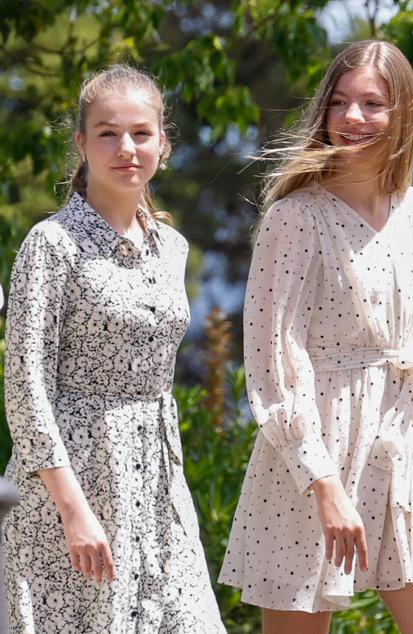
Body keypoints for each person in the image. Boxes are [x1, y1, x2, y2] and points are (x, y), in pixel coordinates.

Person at [219, 40, 413, 634]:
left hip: (401, 446)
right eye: (341, 102)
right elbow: (273, 359)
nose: (353, 117)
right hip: (312, 455)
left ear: (402, 113)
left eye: (373, 103)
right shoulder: (295, 216)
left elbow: (401, 345)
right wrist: (322, 482)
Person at [2, 64, 225, 633]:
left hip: (157, 484)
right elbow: (25, 388)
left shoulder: (171, 248)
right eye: (107, 133)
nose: (126, 148)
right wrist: (73, 510)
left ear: (163, 144)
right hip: (74, 485)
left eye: (141, 133)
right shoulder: (51, 244)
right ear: (82, 143)